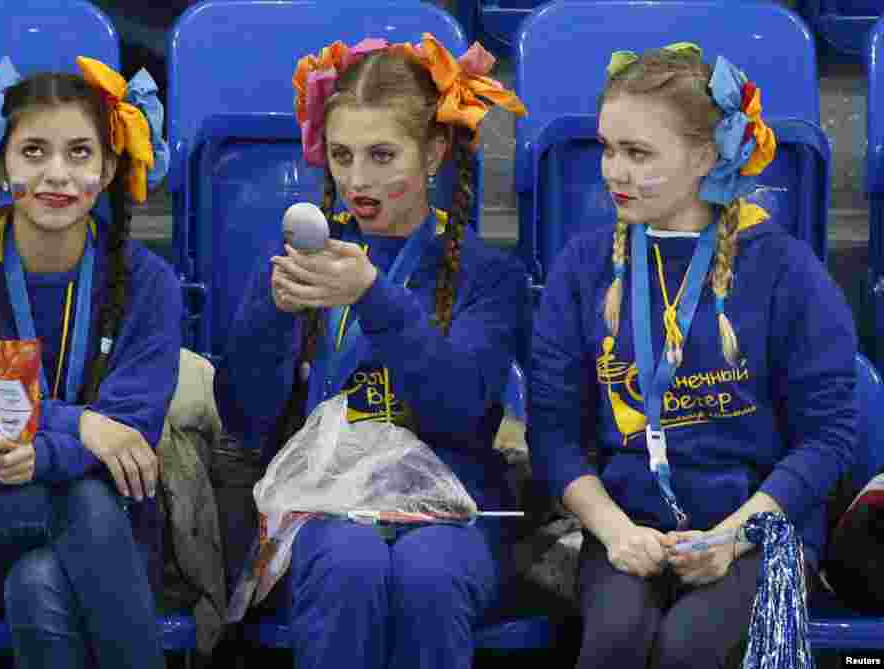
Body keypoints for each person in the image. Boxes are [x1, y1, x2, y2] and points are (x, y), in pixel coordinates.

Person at [528, 43, 857, 668]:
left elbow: (827, 438)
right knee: (615, 640)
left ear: (705, 156)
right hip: (625, 530)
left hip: (761, 532)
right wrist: (616, 533)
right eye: (607, 149)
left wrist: (733, 536)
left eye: (638, 153)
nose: (614, 172)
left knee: (689, 650)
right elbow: (554, 431)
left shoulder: (787, 272)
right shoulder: (582, 268)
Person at [215, 34, 527, 669]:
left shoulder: (488, 273)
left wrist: (373, 297)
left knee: (430, 576)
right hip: (324, 499)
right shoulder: (301, 264)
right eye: (342, 156)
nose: (359, 179)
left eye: (383, 155)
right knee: (347, 565)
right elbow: (245, 421)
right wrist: (270, 319)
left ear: (435, 151)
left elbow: (462, 410)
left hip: (453, 503)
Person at [0, 55, 178, 669]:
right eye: (33, 151)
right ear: (0, 165)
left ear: (108, 169)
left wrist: (44, 445)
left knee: (40, 585)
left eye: (80, 153)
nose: (57, 173)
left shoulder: (149, 283)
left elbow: (132, 437)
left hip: (111, 528)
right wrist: (82, 425)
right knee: (74, 501)